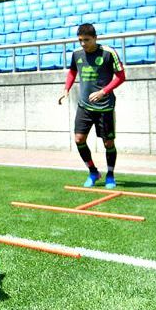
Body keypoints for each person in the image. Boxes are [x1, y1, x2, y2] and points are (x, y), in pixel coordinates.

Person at [58, 23, 126, 189]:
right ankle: (93, 171)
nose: (83, 44)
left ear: (95, 38)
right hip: (84, 106)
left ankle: (110, 174)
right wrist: (66, 88)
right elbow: (73, 71)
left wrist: (103, 91)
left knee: (108, 143)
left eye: (86, 40)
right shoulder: (76, 54)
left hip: (105, 107)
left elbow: (121, 76)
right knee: (79, 139)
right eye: (80, 40)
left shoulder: (108, 53)